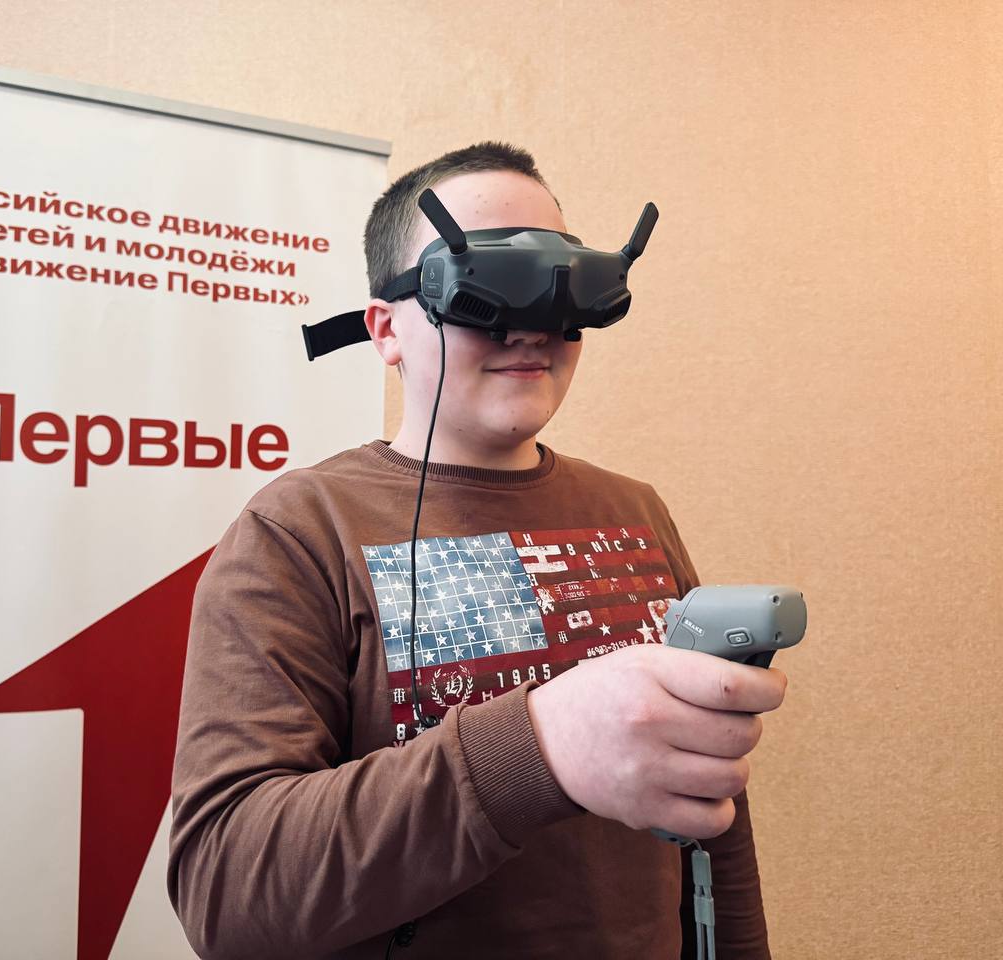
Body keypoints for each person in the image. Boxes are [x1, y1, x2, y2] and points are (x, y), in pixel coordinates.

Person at [168, 142, 788, 959]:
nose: (530, 327)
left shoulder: (634, 511)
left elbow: (712, 805)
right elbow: (226, 887)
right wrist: (539, 748)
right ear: (386, 329)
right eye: (482, 287)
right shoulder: (299, 532)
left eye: (559, 284)